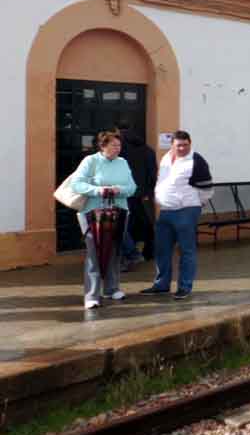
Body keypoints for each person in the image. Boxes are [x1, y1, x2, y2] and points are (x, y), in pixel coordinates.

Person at [141, 130, 212, 299]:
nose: (182, 148)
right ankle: (161, 285)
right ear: (172, 145)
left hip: (186, 210)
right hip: (166, 210)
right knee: (162, 249)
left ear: (190, 143)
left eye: (185, 145)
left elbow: (207, 188)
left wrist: (196, 204)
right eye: (178, 145)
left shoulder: (196, 160)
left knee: (186, 250)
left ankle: (184, 287)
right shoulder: (166, 158)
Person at [70, 130, 137, 308]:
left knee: (114, 251)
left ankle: (112, 289)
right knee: (94, 253)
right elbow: (76, 184)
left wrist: (119, 189)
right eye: (114, 145)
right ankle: (91, 295)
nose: (118, 148)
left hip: (119, 212)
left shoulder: (123, 162)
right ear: (103, 146)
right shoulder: (90, 161)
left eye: (119, 145)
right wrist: (99, 190)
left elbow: (132, 187)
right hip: (93, 213)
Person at [118, 123, 157, 270]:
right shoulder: (148, 150)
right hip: (143, 195)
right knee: (146, 223)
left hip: (125, 194)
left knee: (124, 226)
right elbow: (153, 174)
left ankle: (128, 256)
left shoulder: (121, 151)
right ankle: (149, 252)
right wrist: (149, 192)